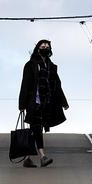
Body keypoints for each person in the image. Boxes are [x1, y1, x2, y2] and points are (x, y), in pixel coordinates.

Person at [19, 39, 69, 168]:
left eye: (47, 46)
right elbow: (25, 85)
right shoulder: (30, 65)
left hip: (47, 102)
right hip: (33, 102)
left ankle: (28, 158)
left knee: (35, 129)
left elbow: (57, 85)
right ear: (37, 48)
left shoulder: (51, 66)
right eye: (43, 46)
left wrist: (63, 102)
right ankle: (42, 156)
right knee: (37, 128)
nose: (45, 47)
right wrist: (22, 104)